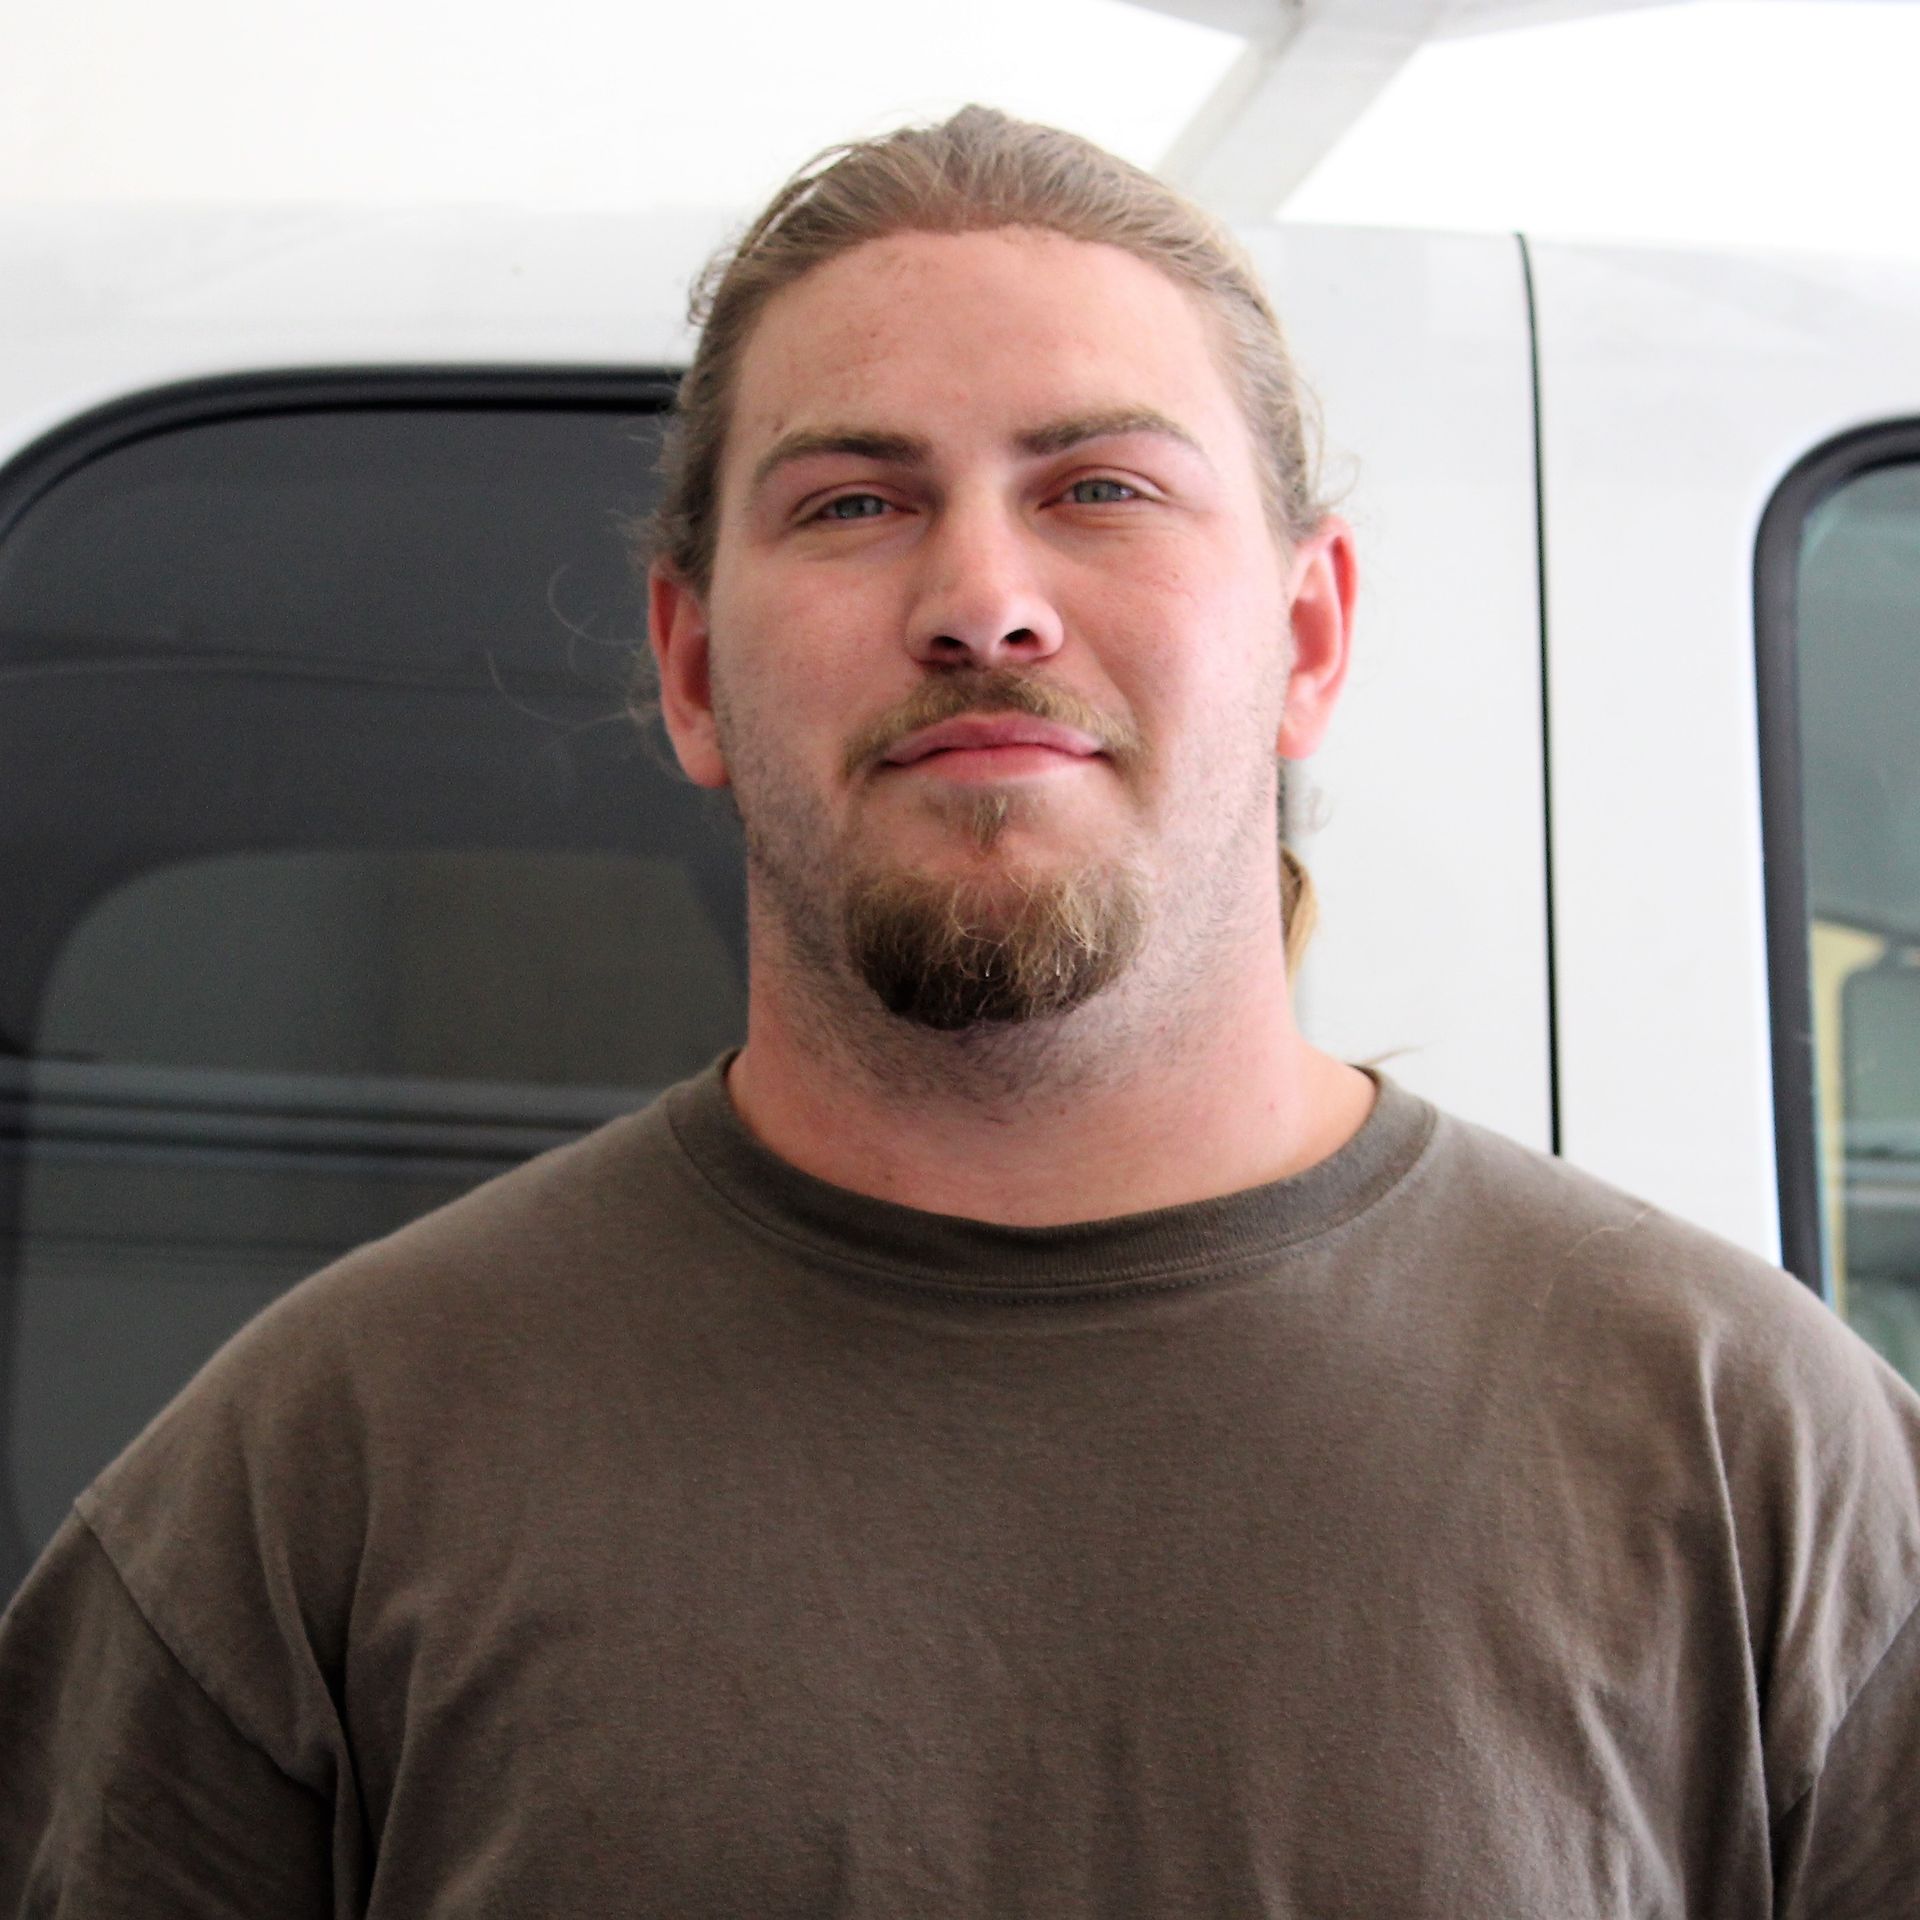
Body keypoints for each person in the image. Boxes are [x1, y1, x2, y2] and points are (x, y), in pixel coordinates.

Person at [3, 107, 1918, 1919]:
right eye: (854, 501)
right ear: (686, 664)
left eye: (1099, 488)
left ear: (1310, 638)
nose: (984, 601)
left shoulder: (1756, 1460)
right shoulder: (314, 1474)